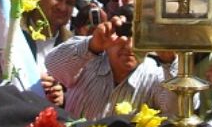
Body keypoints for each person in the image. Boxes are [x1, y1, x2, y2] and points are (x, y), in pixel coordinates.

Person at [45, 15, 177, 120]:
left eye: (138, 38)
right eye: (122, 34)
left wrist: (169, 59)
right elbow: (52, 65)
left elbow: (178, 109)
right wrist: (92, 45)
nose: (129, 45)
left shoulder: (154, 75)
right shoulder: (87, 59)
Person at [22, 0, 78, 106]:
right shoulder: (13, 32)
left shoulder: (73, 46)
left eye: (69, 3)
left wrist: (63, 98)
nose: (62, 7)